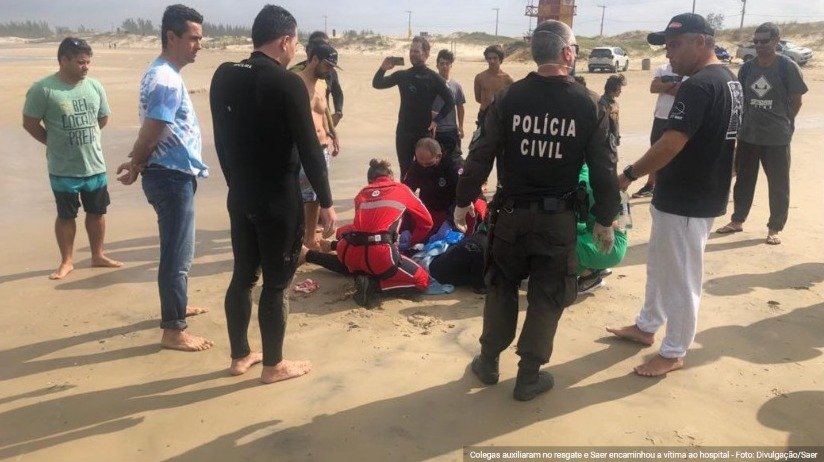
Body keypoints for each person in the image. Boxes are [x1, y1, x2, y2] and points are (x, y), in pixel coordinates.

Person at [454, 20, 619, 401]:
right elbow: (603, 170)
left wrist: (463, 201)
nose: (575, 55)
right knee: (548, 293)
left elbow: (479, 156)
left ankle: (488, 361)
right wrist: (605, 219)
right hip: (557, 221)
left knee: (501, 285)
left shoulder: (508, 99)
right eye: (575, 50)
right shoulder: (589, 104)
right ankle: (528, 376)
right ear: (566, 53)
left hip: (510, 216)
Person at [608, 13, 744, 377]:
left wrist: (628, 175)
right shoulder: (728, 81)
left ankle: (674, 350)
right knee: (660, 262)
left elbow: (672, 141)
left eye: (675, 45)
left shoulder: (698, 85)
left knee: (682, 274)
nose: (669, 55)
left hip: (689, 196)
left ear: (701, 42)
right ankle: (647, 324)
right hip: (690, 192)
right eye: (666, 47)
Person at [209, 5, 337, 383]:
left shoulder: (223, 74)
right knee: (277, 282)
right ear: (284, 40)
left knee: (243, 277)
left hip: (241, 193)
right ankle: (274, 366)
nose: (295, 48)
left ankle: (239, 357)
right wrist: (326, 202)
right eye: (295, 41)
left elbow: (221, 140)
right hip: (278, 199)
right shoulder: (287, 83)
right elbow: (310, 149)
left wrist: (236, 182)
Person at [115, 4, 213, 352]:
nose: (199, 45)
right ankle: (174, 330)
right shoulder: (166, 79)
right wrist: (137, 161)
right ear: (171, 37)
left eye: (200, 38)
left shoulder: (163, 72)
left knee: (180, 253)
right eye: (193, 38)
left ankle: (178, 305)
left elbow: (153, 129)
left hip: (172, 174)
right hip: (169, 177)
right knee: (176, 254)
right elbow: (154, 127)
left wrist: (138, 160)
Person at [22, 37, 122, 280]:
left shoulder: (95, 86)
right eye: (80, 62)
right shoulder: (43, 89)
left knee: (97, 212)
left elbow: (102, 118)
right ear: (63, 60)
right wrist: (53, 142)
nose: (86, 67)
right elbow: (30, 123)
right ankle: (67, 261)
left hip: (94, 165)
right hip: (63, 168)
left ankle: (98, 255)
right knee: (66, 215)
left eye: (88, 62)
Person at [715, 22, 807, 245]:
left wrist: (786, 123)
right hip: (749, 135)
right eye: (755, 42)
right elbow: (742, 100)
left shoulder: (787, 67)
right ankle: (737, 220)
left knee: (778, 183)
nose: (759, 45)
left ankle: (774, 227)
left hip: (777, 137)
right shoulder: (747, 68)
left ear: (776, 41)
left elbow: (797, 100)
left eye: (764, 41)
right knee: (744, 180)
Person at [303, 159, 432, 308]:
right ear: (391, 176)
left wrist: (337, 238)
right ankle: (374, 286)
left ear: (369, 180)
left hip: (349, 252)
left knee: (356, 264)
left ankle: (308, 254)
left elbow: (356, 228)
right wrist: (411, 242)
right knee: (422, 280)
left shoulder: (362, 194)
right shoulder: (402, 189)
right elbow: (427, 222)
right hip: (380, 254)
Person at [372, 36, 455, 178]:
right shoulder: (403, 75)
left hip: (423, 132)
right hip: (404, 131)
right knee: (405, 170)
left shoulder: (433, 78)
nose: (412, 54)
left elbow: (450, 101)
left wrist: (437, 120)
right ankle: (407, 198)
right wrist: (383, 68)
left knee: (426, 169)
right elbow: (377, 83)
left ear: (426, 54)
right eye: (411, 51)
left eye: (416, 51)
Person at [294, 42, 342, 250]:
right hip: (302, 149)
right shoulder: (295, 82)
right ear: (313, 59)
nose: (330, 70)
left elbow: (322, 113)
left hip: (322, 148)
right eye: (328, 65)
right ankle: (298, 240)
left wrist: (332, 132)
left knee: (314, 197)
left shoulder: (323, 83)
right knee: (300, 196)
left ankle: (309, 238)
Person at [632, 63, 686, 198]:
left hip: (678, 118)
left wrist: (665, 85)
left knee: (676, 152)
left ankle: (672, 186)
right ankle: (650, 185)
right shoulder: (662, 69)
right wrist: (673, 85)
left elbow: (681, 91)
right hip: (660, 117)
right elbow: (653, 87)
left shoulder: (687, 70)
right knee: (655, 151)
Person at [575, 163, 628, 294]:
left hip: (608, 244)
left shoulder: (578, 180)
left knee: (553, 246)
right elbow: (626, 222)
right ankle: (598, 266)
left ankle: (590, 276)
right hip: (616, 241)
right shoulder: (604, 172)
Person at [402, 137, 458, 235]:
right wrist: (405, 227)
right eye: (421, 163)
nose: (424, 167)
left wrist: (450, 221)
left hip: (451, 209)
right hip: (428, 209)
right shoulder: (416, 167)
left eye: (428, 164)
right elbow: (405, 194)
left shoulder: (453, 166)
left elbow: (465, 195)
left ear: (438, 157)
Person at [431, 49, 466, 161]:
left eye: (447, 64)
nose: (444, 66)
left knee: (453, 161)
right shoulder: (430, 84)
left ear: (451, 66)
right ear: (437, 65)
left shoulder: (456, 86)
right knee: (434, 161)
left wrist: (460, 127)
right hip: (434, 130)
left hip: (451, 130)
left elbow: (460, 107)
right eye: (442, 63)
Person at [473, 45, 514, 127]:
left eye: (495, 58)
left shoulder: (508, 79)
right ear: (487, 59)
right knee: (480, 139)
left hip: (500, 116)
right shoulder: (480, 77)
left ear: (500, 59)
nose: (492, 61)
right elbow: (478, 99)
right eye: (489, 58)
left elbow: (511, 101)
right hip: (484, 114)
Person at [599, 74, 626, 152]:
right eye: (619, 88)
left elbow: (615, 123)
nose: (621, 91)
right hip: (604, 145)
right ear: (612, 89)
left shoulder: (614, 104)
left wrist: (617, 137)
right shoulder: (602, 104)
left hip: (612, 143)